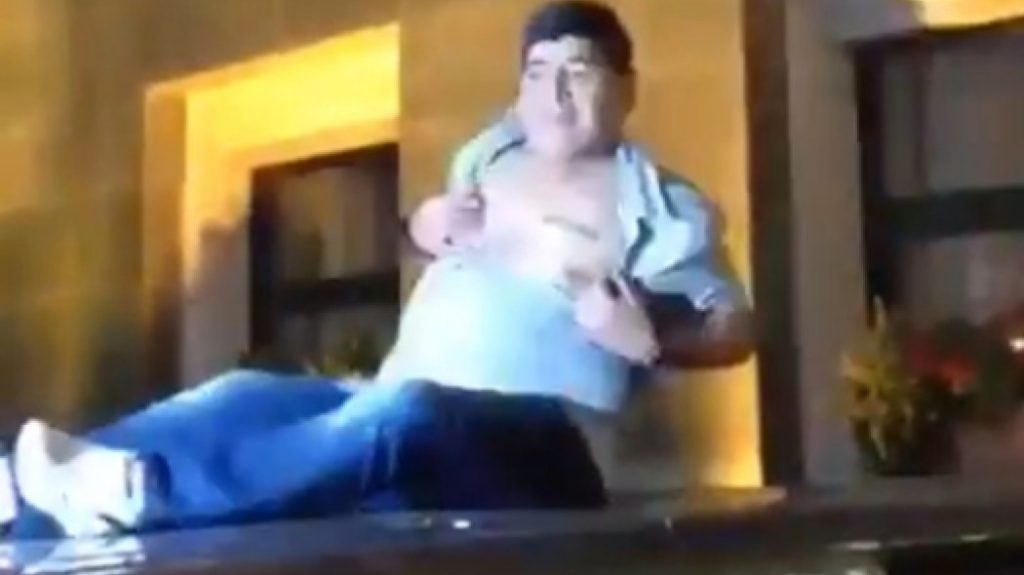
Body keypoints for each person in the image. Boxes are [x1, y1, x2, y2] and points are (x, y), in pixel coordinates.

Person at [0, 0, 751, 539]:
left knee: (409, 410)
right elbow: (425, 246)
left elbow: (734, 326)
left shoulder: (659, 204)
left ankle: (151, 491)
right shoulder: (488, 155)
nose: (554, 94)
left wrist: (649, 339)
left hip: (548, 444)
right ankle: (27, 492)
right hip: (399, 402)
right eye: (537, 73)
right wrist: (423, 227)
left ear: (626, 88)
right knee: (248, 392)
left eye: (579, 72)